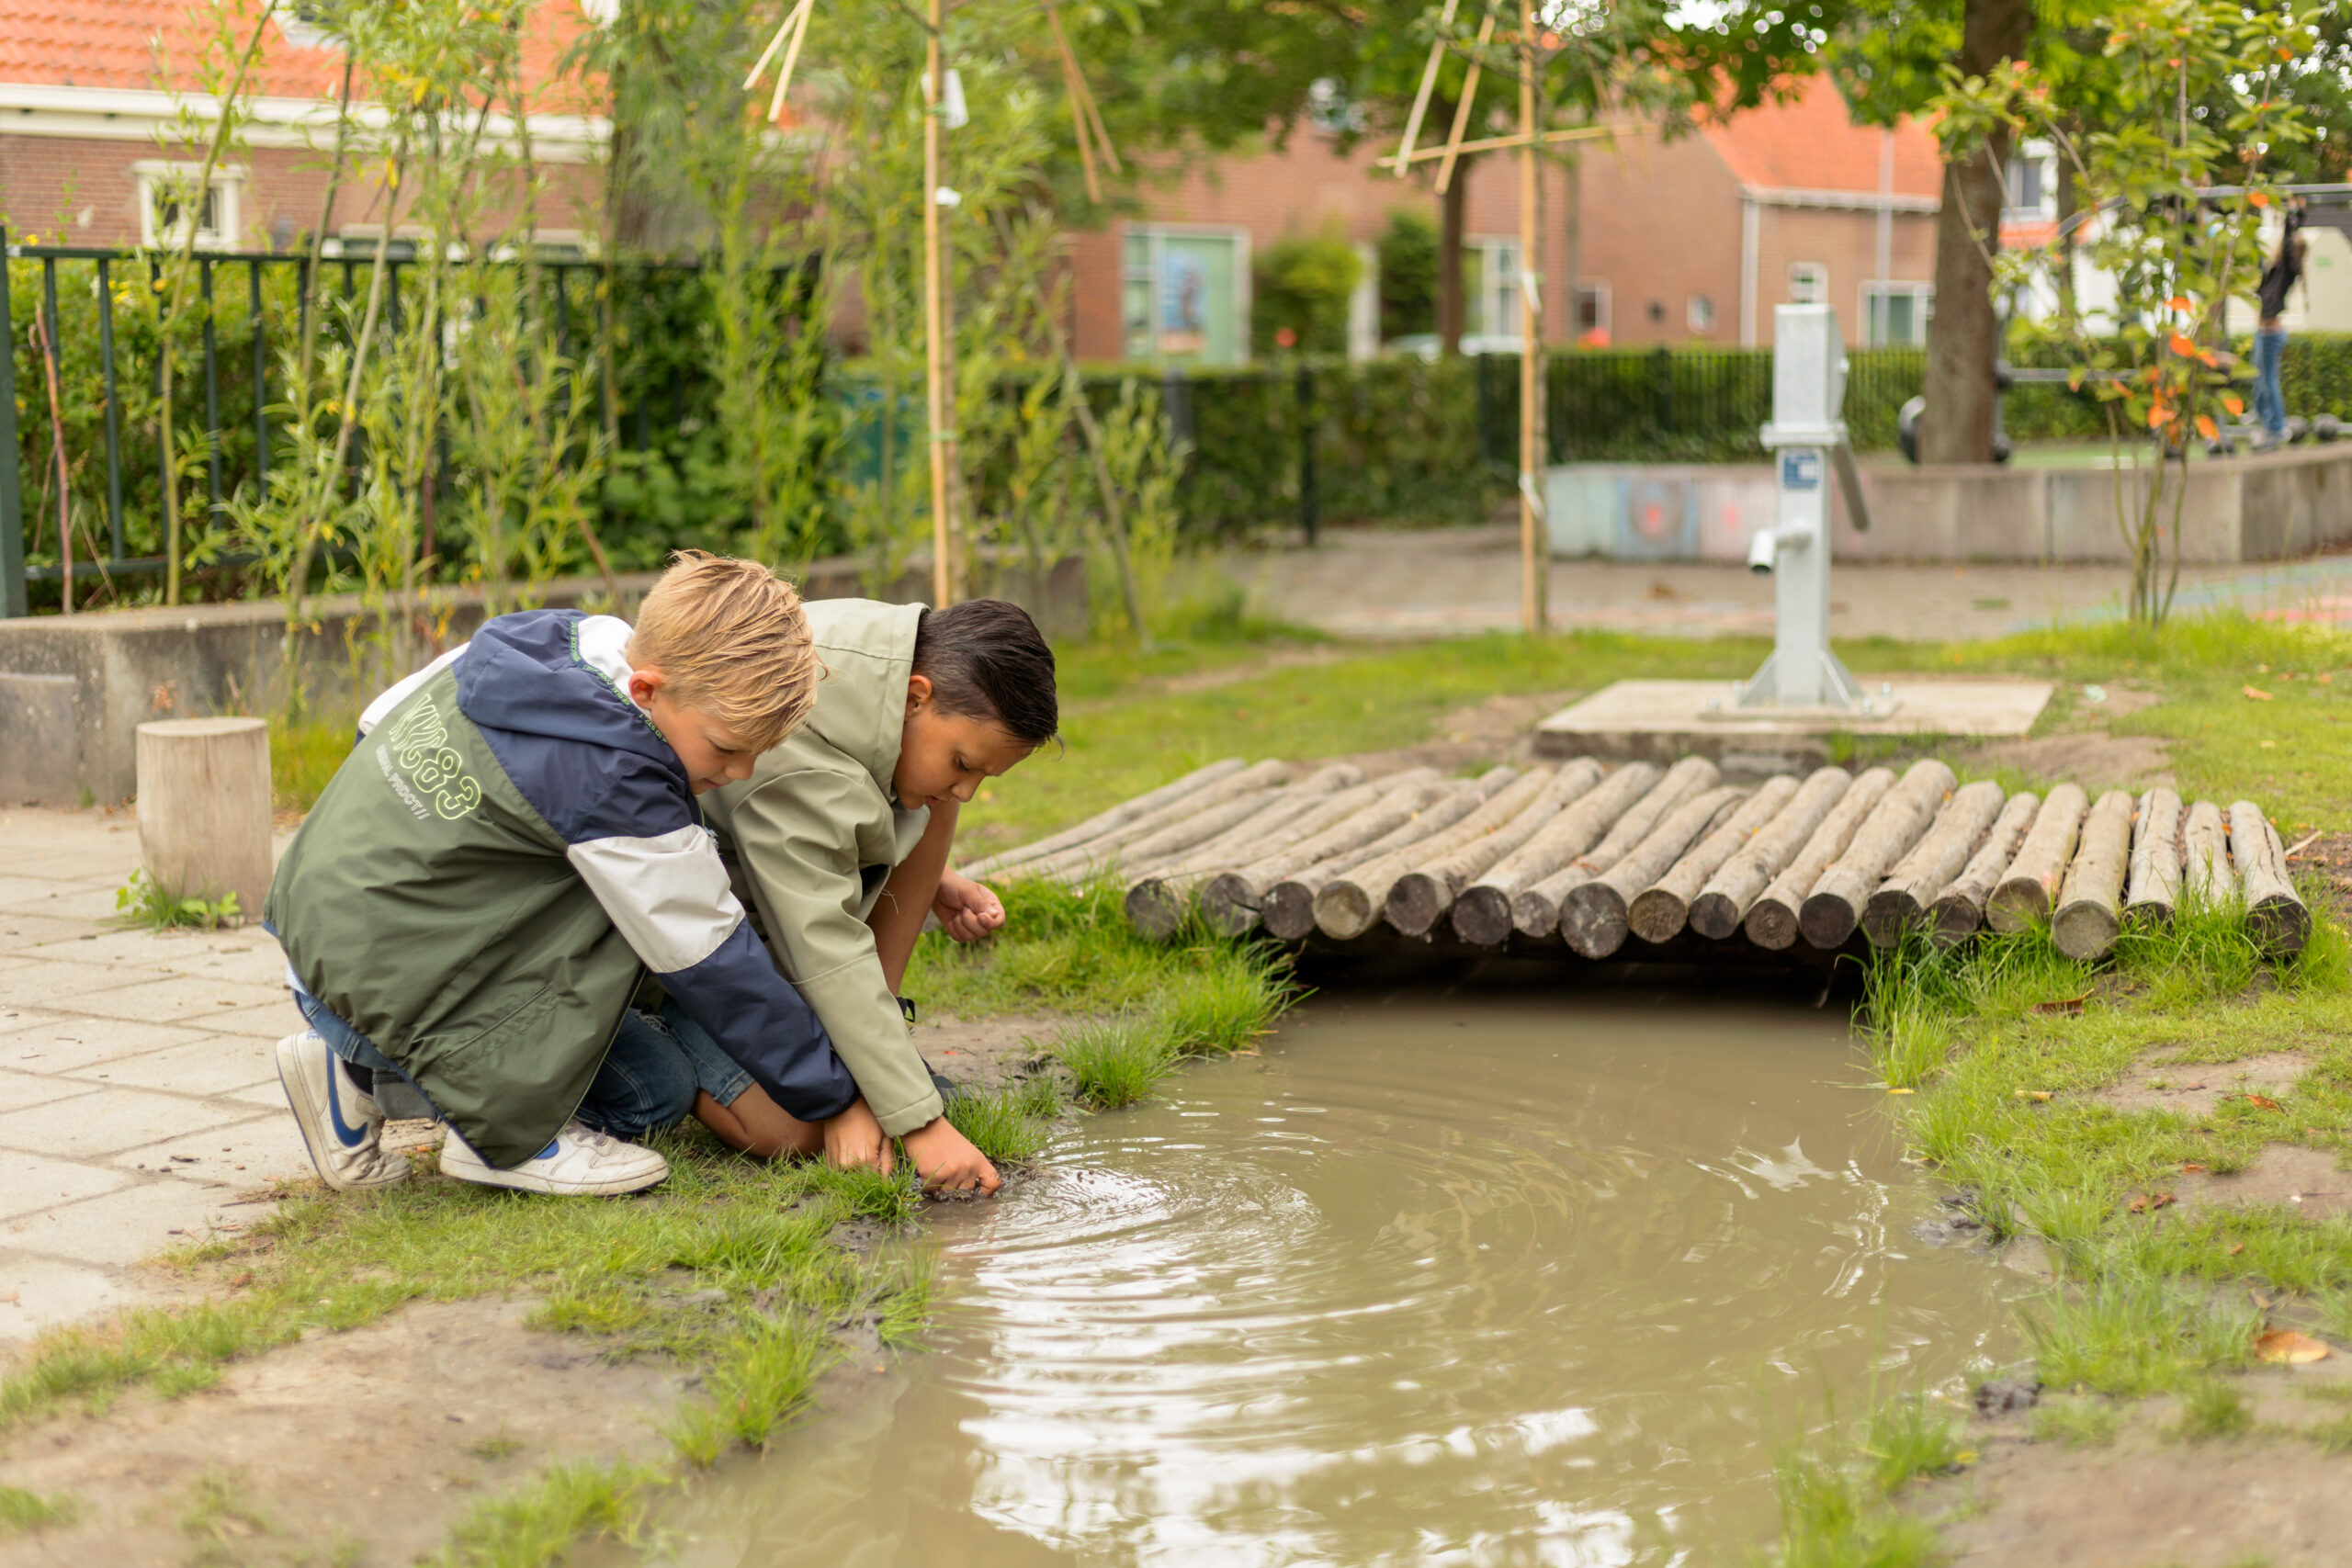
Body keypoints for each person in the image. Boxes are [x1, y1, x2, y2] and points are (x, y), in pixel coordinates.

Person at [266, 552, 863, 1198]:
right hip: (382, 985)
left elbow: (375, 720)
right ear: (646, 691)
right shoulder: (614, 774)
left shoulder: (549, 643)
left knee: (654, 1089)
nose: (739, 772)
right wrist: (834, 1095)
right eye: (725, 747)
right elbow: (712, 956)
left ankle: (347, 1079)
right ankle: (511, 1139)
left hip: (326, 936)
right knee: (629, 919)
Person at [703, 597, 1059, 1197]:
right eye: (965, 762)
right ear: (917, 695)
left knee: (935, 793)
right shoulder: (797, 744)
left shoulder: (893, 655)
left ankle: (873, 1030)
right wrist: (919, 1122)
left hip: (774, 886)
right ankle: (646, 1047)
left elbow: (837, 828)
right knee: (790, 1129)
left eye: (984, 776)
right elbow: (823, 948)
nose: (969, 791)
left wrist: (937, 877)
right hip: (698, 941)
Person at [2254, 201, 2307, 451]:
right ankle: (2263, 419)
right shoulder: (2274, 272)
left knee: (2269, 381)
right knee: (2260, 380)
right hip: (2263, 332)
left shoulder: (2287, 270)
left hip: (2271, 333)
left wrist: (2290, 216)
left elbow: (2287, 243)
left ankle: (2276, 427)